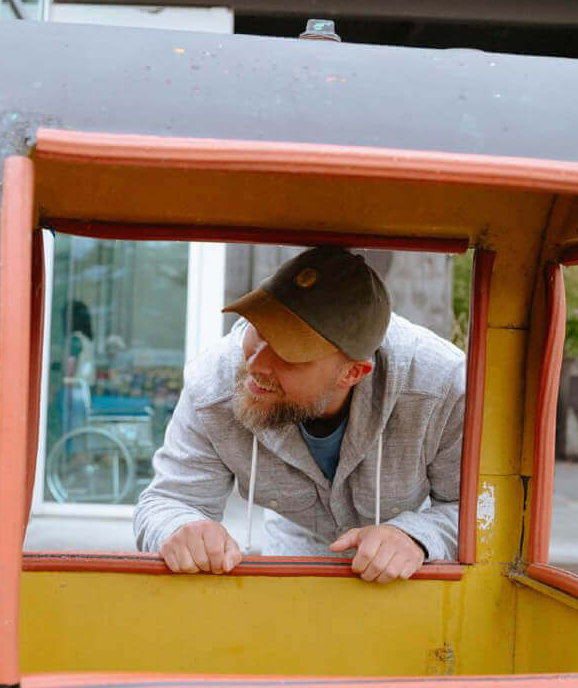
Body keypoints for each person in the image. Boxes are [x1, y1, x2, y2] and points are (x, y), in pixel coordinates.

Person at [133, 247, 465, 583]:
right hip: (291, 563)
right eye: (260, 330)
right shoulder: (212, 386)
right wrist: (181, 528)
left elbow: (474, 510)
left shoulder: (442, 387)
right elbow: (167, 501)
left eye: (288, 353)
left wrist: (416, 536)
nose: (256, 365)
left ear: (352, 373)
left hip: (403, 574)